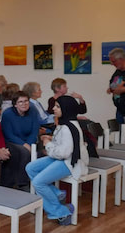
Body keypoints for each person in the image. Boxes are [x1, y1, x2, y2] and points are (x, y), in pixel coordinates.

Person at [25, 96, 89, 226]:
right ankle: (57, 194)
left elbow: (63, 153)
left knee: (38, 182)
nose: (54, 108)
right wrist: (52, 140)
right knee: (31, 167)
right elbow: (63, 145)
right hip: (63, 158)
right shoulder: (66, 124)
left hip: (70, 162)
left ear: (66, 109)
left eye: (57, 106)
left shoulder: (67, 128)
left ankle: (61, 212)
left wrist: (48, 143)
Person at [1, 91, 39, 170]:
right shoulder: (7, 114)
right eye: (20, 102)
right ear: (15, 104)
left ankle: (35, 178)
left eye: (26, 101)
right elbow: (8, 134)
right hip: (12, 141)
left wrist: (29, 144)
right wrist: (24, 144)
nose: (24, 104)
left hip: (28, 141)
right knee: (23, 152)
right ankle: (21, 181)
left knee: (41, 151)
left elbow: (34, 131)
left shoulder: (33, 111)